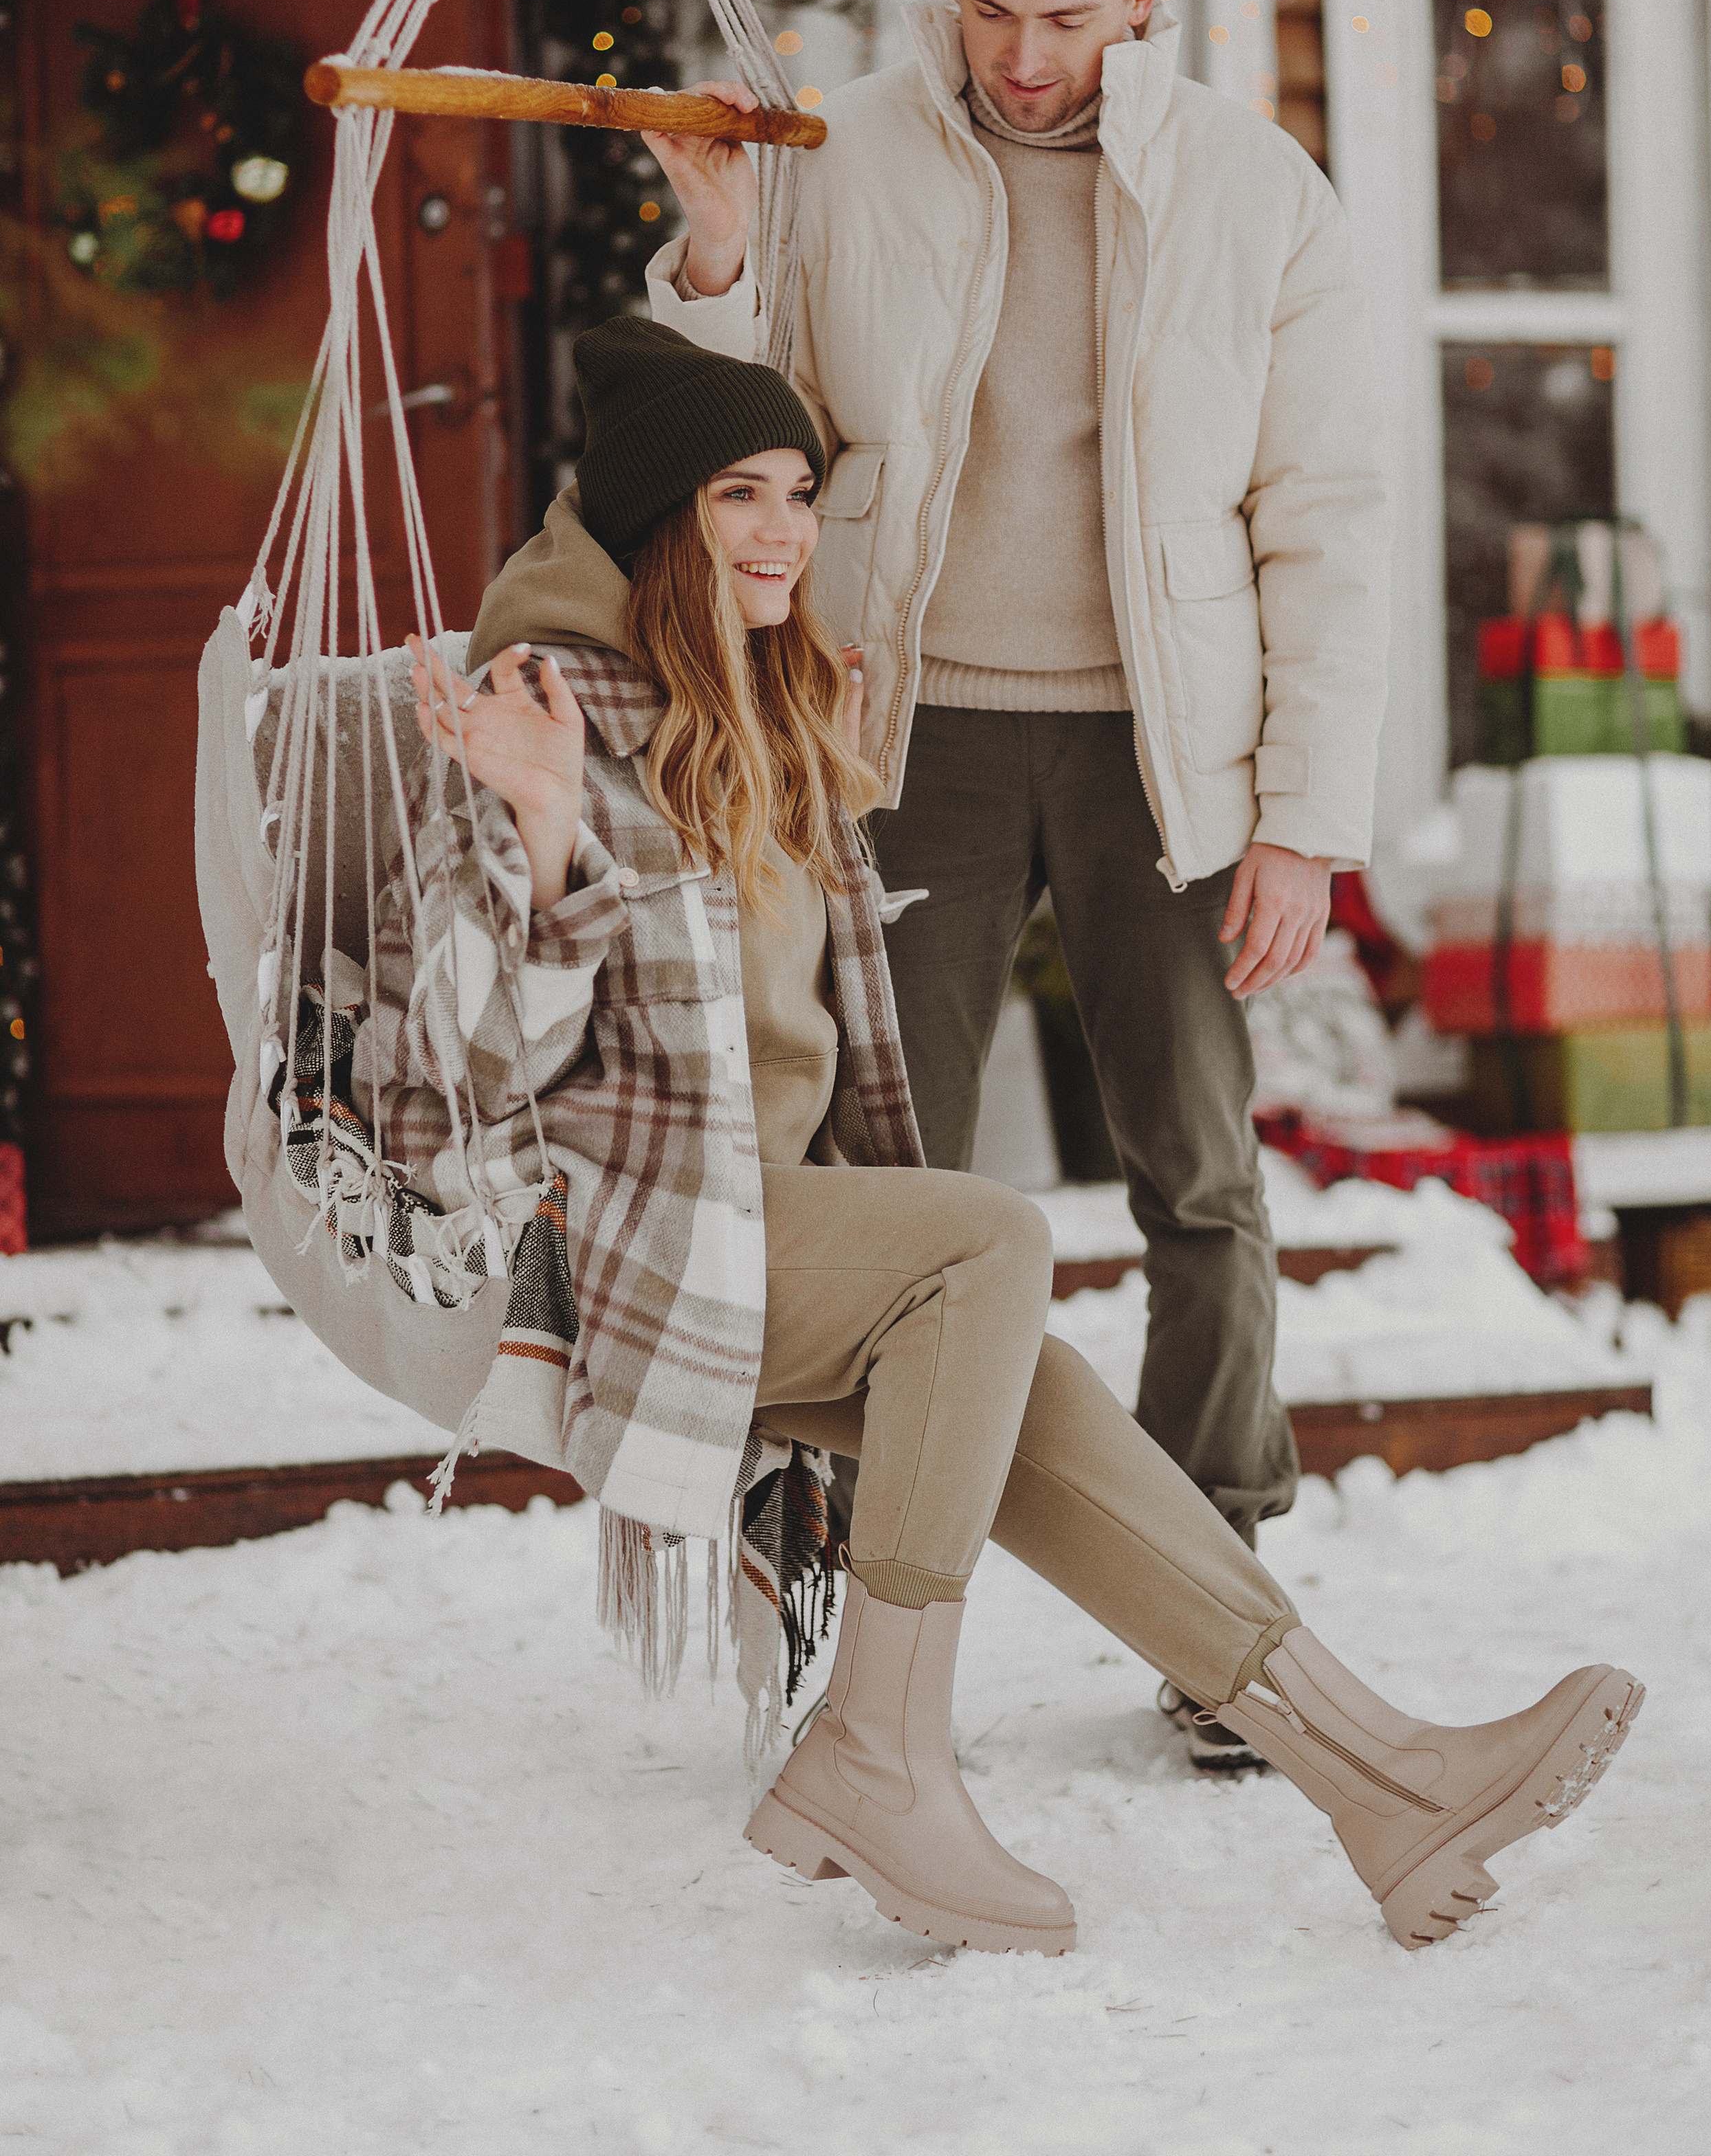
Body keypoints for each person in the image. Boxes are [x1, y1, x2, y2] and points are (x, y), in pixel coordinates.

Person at [364, 318, 1638, 1961]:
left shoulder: (761, 715)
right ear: (653, 519)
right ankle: (875, 1756)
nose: (776, 529)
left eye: (797, 492)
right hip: (631, 1250)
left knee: (1022, 1386)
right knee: (986, 1240)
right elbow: (446, 1076)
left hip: (773, 1228)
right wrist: (539, 839)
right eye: (733, 493)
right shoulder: (544, 714)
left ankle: (1384, 1782)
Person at [641, 0, 1389, 1768]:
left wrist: (1303, 812)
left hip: (1171, 752)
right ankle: (856, 1618)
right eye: (986, 9)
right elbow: (730, 435)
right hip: (914, 737)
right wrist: (722, 246)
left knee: (1201, 1180)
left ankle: (1218, 1599)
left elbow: (1327, 519)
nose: (1022, 53)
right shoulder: (848, 155)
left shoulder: (1261, 193)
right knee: (880, 1199)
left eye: (1062, 15)